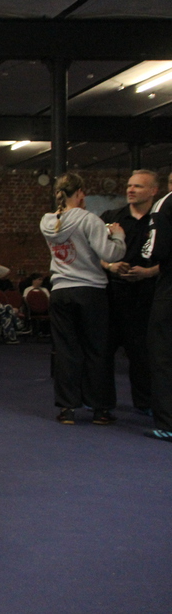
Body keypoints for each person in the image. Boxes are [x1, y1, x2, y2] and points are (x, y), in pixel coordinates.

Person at [40, 173, 126, 425]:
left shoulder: (47, 221)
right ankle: (100, 409)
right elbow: (111, 253)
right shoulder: (90, 219)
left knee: (66, 350)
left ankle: (67, 408)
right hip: (90, 290)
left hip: (60, 291)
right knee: (96, 350)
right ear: (79, 193)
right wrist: (117, 235)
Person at [100, 170, 159, 414]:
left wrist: (148, 272)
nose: (131, 190)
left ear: (153, 191)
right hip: (112, 293)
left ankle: (144, 403)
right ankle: (101, 402)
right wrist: (110, 266)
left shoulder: (160, 221)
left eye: (138, 186)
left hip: (146, 294)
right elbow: (92, 252)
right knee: (104, 350)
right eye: (129, 186)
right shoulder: (111, 217)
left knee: (141, 353)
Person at [143, 171, 172, 442]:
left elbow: (154, 251)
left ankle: (168, 424)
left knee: (163, 357)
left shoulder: (165, 204)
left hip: (169, 292)